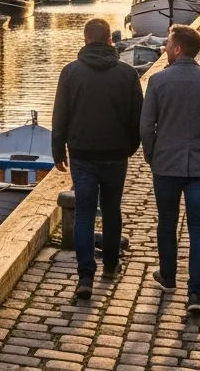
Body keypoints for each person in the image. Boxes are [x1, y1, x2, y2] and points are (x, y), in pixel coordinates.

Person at [139, 24, 200, 317]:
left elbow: (146, 127)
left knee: (166, 222)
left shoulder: (157, 81)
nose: (164, 46)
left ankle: (168, 276)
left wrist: (153, 156)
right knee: (199, 228)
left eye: (168, 42)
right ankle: (195, 293)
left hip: (166, 163)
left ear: (178, 48)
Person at [52, 17, 144, 300]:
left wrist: (59, 150)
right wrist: (130, 147)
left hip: (82, 154)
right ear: (109, 40)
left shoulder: (70, 72)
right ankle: (111, 263)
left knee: (85, 214)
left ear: (84, 40)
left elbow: (60, 117)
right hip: (116, 153)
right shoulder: (127, 74)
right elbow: (137, 119)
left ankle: (85, 276)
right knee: (112, 209)